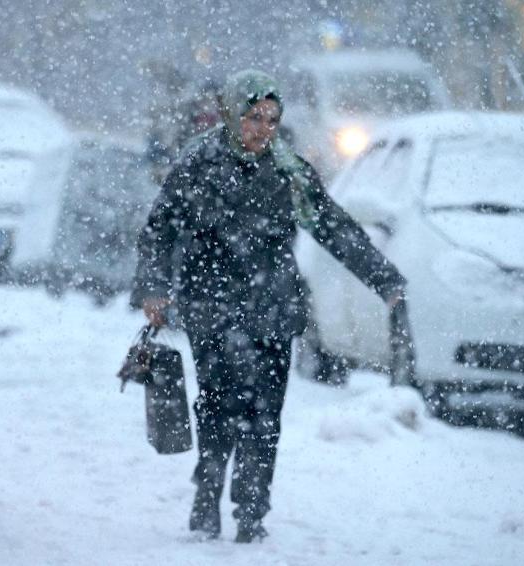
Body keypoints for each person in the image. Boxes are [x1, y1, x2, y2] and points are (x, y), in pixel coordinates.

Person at [130, 70, 406, 543]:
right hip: (211, 304)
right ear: (233, 114)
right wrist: (154, 288)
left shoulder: (289, 171)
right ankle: (207, 493)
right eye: (254, 117)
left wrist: (383, 278)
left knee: (264, 412)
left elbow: (334, 227)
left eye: (272, 119)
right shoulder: (198, 163)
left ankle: (252, 511)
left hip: (271, 307)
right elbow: (160, 230)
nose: (263, 129)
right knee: (217, 406)